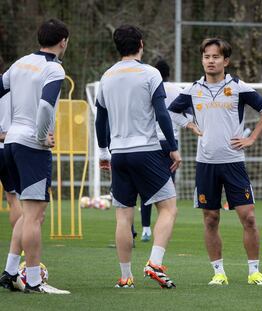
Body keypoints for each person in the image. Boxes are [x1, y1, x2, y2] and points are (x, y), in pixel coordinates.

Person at [169, 38, 262, 286]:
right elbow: (172, 111)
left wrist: (251, 138)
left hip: (234, 162)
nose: (210, 61)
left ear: (225, 61)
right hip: (205, 164)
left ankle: (254, 273)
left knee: (248, 217)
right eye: (206, 56)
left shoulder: (238, 86)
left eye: (216, 57)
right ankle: (218, 273)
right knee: (210, 218)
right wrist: (189, 124)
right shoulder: (193, 89)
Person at [95, 25, 182, 289]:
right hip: (146, 150)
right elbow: (162, 113)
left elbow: (101, 119)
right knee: (168, 207)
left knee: (123, 216)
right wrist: (173, 146)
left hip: (118, 153)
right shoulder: (150, 73)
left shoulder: (106, 77)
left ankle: (125, 277)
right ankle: (154, 262)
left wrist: (102, 151)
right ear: (141, 44)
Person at [0, 19, 70, 294]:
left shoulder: (20, 62)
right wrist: (42, 136)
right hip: (32, 146)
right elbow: (44, 106)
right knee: (34, 215)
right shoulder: (53, 69)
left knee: (28, 214)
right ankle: (33, 280)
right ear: (63, 41)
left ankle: (9, 271)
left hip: (12, 142)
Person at [139, 59, 197, 242]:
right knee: (167, 189)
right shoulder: (177, 90)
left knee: (147, 188)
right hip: (171, 142)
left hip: (150, 142)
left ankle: (146, 229)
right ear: (169, 73)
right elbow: (190, 114)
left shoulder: (147, 87)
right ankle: (165, 228)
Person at [0, 56, 21, 228]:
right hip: (9, 148)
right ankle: (18, 246)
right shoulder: (15, 91)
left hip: (7, 143)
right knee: (14, 199)